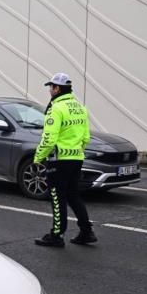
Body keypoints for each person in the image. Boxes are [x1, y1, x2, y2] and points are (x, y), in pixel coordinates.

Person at [34, 72, 96, 247]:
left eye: (51, 87)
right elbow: (86, 138)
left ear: (57, 88)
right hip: (76, 158)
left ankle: (56, 235)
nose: (49, 91)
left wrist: (39, 157)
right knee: (74, 196)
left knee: (57, 197)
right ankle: (86, 232)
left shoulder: (56, 109)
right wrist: (76, 152)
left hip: (59, 160)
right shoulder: (80, 107)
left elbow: (49, 138)